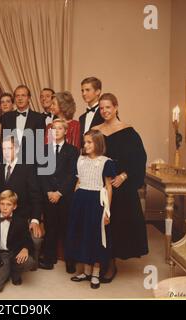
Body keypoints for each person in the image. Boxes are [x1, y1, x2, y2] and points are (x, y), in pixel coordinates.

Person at [92, 93, 148, 283]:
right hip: (98, 183)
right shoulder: (96, 130)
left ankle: (111, 263)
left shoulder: (128, 131)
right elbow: (89, 154)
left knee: (115, 225)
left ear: (116, 107)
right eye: (101, 108)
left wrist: (123, 176)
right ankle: (101, 260)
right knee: (98, 224)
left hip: (120, 186)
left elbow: (139, 159)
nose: (105, 111)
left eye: (108, 107)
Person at [66, 130, 115, 289]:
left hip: (96, 202)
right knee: (82, 235)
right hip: (80, 200)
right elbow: (79, 182)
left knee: (95, 236)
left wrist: (107, 211)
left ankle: (95, 273)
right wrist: (74, 202)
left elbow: (108, 187)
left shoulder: (105, 162)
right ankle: (86, 272)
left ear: (98, 144)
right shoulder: (80, 160)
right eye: (84, 142)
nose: (85, 145)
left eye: (89, 142)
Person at [0, 135, 43, 268]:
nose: (6, 152)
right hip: (2, 214)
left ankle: (24, 262)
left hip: (21, 216)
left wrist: (35, 220)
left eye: (9, 148)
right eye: (3, 149)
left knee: (35, 240)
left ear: (16, 149)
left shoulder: (27, 167)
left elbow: (36, 196)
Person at [39, 119, 79, 272]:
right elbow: (42, 173)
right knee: (50, 227)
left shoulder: (73, 150)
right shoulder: (43, 150)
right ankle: (49, 259)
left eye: (59, 128)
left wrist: (60, 192)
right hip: (49, 195)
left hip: (65, 196)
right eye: (53, 129)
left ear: (66, 131)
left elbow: (72, 175)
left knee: (66, 228)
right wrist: (49, 191)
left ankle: (70, 260)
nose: (56, 131)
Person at [0, 190, 35, 293]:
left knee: (29, 261)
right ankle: (5, 272)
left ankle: (15, 273)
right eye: (2, 204)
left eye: (9, 204)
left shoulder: (21, 221)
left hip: (14, 253)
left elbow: (27, 239)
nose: (5, 208)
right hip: (0, 256)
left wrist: (25, 248)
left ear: (14, 206)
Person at [1, 85, 45, 164]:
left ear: (29, 98)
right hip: (11, 162)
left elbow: (40, 144)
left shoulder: (39, 118)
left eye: (23, 95)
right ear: (14, 98)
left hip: (31, 163)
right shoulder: (6, 117)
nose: (20, 98)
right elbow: (4, 140)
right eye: (17, 96)